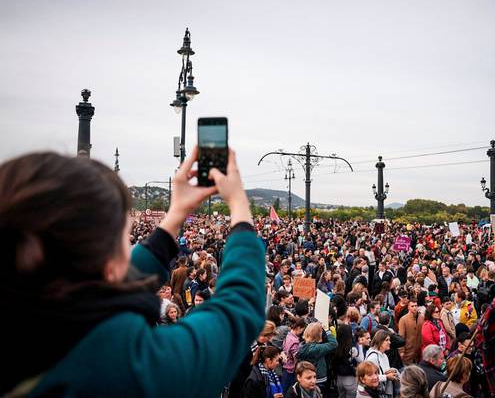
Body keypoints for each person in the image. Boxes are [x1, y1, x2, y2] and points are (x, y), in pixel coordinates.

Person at [0, 147, 266, 397]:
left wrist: (175, 215)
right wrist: (239, 206)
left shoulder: (34, 319)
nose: (131, 249)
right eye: (125, 239)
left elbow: (105, 285)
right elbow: (239, 306)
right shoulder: (126, 368)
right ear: (110, 264)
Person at [296, 322, 338, 393]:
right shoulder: (316, 349)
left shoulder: (302, 345)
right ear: (319, 335)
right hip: (318, 379)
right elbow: (333, 344)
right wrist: (327, 331)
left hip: (307, 378)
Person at [365, 330, 400, 397]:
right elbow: (368, 377)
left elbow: (384, 371)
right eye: (387, 340)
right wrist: (386, 377)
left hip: (384, 391)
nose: (389, 342)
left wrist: (392, 370)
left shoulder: (384, 355)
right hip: (376, 393)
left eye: (389, 340)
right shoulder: (373, 357)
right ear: (380, 341)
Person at [283, 318, 307, 394]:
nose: (302, 332)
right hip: (291, 369)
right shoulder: (295, 341)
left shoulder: (288, 335)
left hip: (285, 366)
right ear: (299, 328)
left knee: (284, 390)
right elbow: (296, 357)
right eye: (302, 329)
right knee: (290, 391)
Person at [334, 324, 359, 398]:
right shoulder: (352, 349)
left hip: (339, 379)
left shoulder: (335, 346)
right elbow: (360, 359)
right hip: (350, 378)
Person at [399, 299, 424, 366]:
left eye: (416, 306)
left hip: (419, 351)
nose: (414, 308)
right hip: (408, 351)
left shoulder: (422, 317)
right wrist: (401, 351)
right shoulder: (403, 319)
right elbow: (401, 336)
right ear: (408, 307)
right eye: (412, 306)